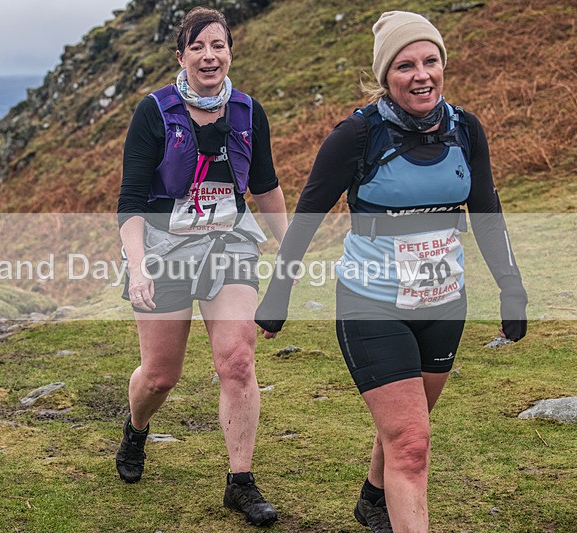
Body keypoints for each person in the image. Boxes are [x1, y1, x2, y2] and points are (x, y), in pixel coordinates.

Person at [255, 11, 527, 533]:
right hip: (370, 304)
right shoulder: (357, 135)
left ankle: (372, 499)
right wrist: (277, 296)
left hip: (445, 303)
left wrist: (511, 289)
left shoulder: (465, 129)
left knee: (406, 428)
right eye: (405, 65)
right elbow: (308, 216)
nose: (421, 74)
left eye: (431, 61)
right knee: (412, 445)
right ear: (386, 76)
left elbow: (488, 214)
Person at [115, 6, 288, 527]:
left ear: (230, 52)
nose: (209, 56)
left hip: (229, 242)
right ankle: (136, 429)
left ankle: (241, 481)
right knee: (160, 377)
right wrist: (138, 267)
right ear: (181, 56)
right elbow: (130, 202)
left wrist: (291, 249)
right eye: (198, 47)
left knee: (237, 360)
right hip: (164, 248)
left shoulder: (248, 112)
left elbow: (265, 185)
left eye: (218, 46)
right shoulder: (154, 112)